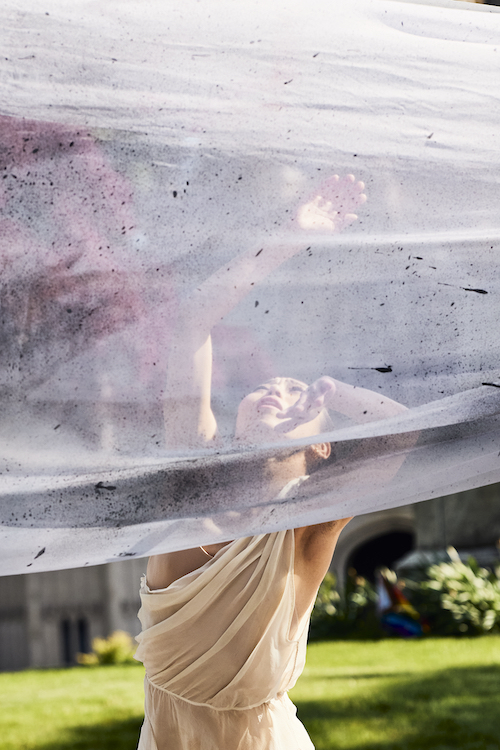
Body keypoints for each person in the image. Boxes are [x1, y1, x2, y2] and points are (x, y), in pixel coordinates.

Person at [134, 175, 410, 750]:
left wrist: (332, 392)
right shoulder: (192, 478)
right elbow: (192, 322)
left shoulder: (311, 519)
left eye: (293, 393)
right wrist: (289, 236)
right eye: (264, 387)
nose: (273, 393)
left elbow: (400, 436)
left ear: (321, 447)